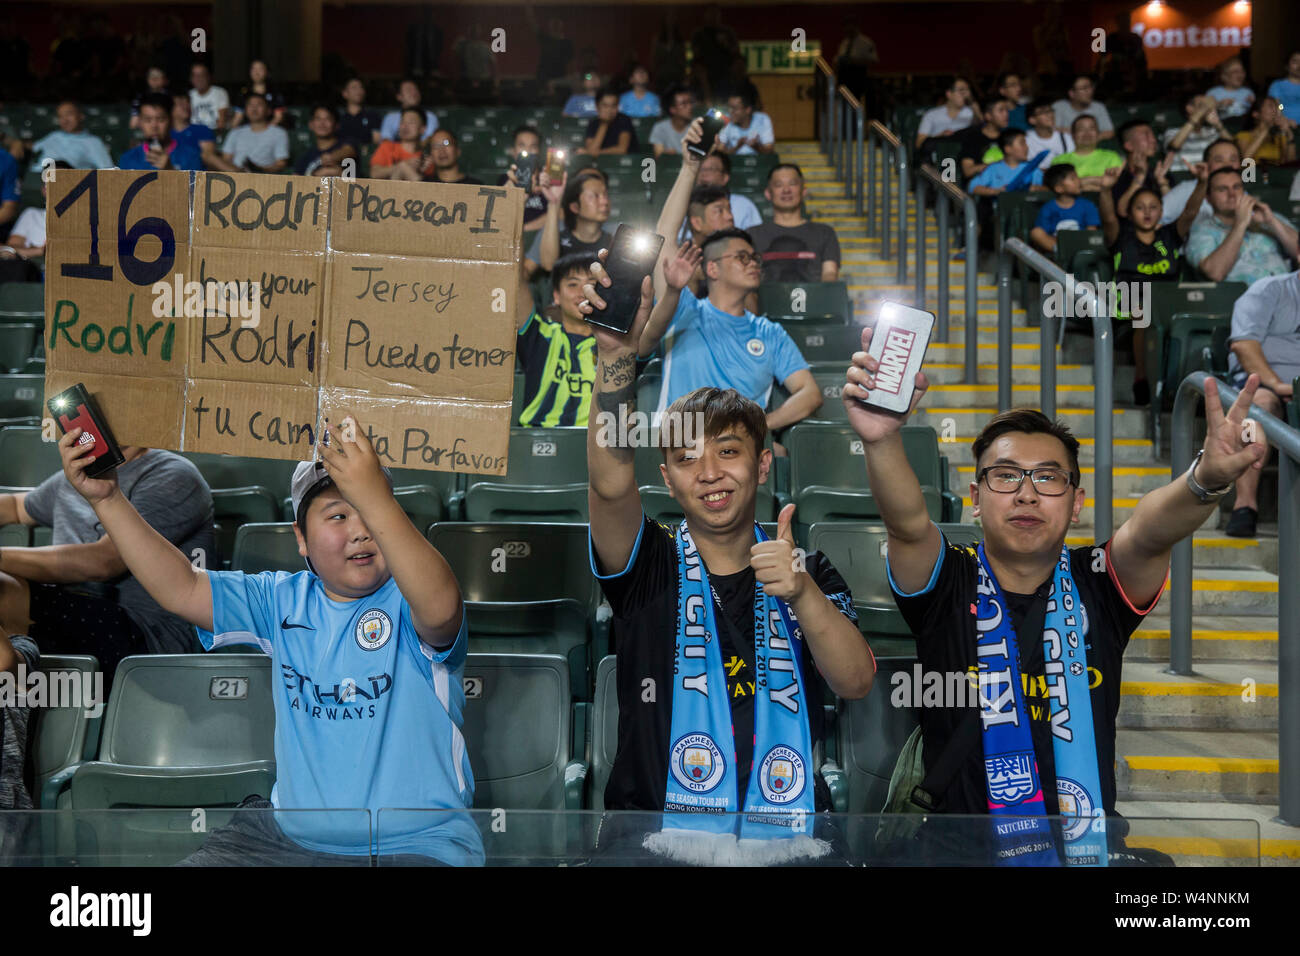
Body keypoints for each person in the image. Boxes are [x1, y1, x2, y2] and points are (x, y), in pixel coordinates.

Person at [847, 337, 1268, 865]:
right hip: (958, 852)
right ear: (975, 500)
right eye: (1006, 476)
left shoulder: (1098, 583)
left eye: (1047, 478)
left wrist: (1203, 480)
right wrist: (883, 439)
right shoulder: (948, 578)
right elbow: (907, 524)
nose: (1026, 494)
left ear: (1076, 503)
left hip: (1085, 850)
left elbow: (1149, 532)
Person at [56, 423, 481, 866]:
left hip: (416, 846)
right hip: (286, 843)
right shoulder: (280, 598)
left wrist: (376, 497)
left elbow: (441, 608)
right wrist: (108, 499)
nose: (360, 531)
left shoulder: (411, 597)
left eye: (370, 513)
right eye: (338, 516)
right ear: (301, 538)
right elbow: (181, 588)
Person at [580, 265, 871, 859]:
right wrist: (615, 354)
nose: (709, 472)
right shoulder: (648, 563)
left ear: (763, 465)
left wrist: (801, 593)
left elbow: (856, 682)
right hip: (652, 842)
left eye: (729, 451)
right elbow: (610, 485)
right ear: (667, 478)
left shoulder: (810, 570)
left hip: (790, 842)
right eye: (687, 458)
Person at [0, 440, 212, 686]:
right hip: (69, 610)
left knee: (3, 591)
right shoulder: (76, 476)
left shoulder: (172, 475)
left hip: (145, 635)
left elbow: (103, 561)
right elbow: (17, 507)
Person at [643, 232, 823, 424]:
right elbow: (644, 344)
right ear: (713, 269)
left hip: (738, 449)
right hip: (681, 440)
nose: (753, 264)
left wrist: (760, 430)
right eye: (742, 257)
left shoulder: (771, 332)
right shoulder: (683, 308)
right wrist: (672, 290)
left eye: (755, 258)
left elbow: (810, 393)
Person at [1099, 164, 1208, 405]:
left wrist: (1201, 183)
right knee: (1142, 312)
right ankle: (1141, 377)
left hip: (1168, 302)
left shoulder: (1170, 235)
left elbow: (1189, 212)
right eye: (1140, 208)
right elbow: (1108, 217)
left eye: (1153, 207)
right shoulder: (1120, 236)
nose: (1147, 213)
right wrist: (1106, 191)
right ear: (1130, 212)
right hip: (1128, 304)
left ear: (1161, 211)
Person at [1223, 270, 1299, 537]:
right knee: (1256, 411)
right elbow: (1243, 345)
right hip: (1266, 386)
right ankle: (1244, 506)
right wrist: (1277, 384)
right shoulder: (1269, 291)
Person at [511, 252, 596, 427]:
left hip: (595, 444)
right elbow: (515, 275)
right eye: (573, 284)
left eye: (592, 285)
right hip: (537, 441)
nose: (583, 292)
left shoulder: (615, 346)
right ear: (556, 295)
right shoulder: (541, 335)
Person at [1185, 169, 1299, 284]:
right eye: (1222, 189)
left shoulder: (1268, 217)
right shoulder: (1202, 230)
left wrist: (1271, 221)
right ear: (1208, 198)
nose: (1232, 194)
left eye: (1236, 187)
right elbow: (1215, 273)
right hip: (1239, 298)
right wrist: (1241, 224)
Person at [747, 164, 841, 282]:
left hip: (813, 299)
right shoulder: (753, 234)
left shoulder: (824, 233)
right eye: (778, 185)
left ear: (804, 191)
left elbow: (830, 275)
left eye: (792, 184)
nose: (786, 190)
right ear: (768, 194)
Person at [526, 168, 614, 277]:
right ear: (575, 207)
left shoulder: (615, 236)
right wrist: (554, 203)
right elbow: (547, 266)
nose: (605, 202)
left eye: (605, 195)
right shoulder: (555, 231)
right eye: (594, 196)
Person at [1, 160, 70, 261]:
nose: (58, 188)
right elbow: (8, 250)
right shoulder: (32, 215)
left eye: (64, 182)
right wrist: (40, 250)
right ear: (44, 190)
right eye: (52, 182)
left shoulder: (87, 218)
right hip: (35, 272)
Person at [1161, 138, 1240, 227]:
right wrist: (1164, 241)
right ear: (1206, 164)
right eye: (1219, 160)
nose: (1227, 165)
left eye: (1233, 160)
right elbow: (1155, 226)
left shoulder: (1242, 193)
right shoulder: (1185, 190)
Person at [118, 92, 202, 172]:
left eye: (161, 119)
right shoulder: (128, 159)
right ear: (140, 122)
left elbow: (196, 186)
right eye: (148, 120)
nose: (154, 126)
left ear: (171, 121)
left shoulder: (191, 156)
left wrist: (171, 170)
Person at [209, 93, 289, 173]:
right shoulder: (235, 132)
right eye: (250, 105)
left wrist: (259, 170)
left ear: (268, 111)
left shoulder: (279, 133)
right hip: (236, 176)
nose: (254, 108)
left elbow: (280, 164)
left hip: (264, 178)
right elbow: (226, 159)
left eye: (259, 105)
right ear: (246, 110)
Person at [1029, 164, 1100, 254]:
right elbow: (1043, 232)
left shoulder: (1087, 205)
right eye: (1073, 179)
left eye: (1077, 177)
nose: (1078, 181)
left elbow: (1091, 230)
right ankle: (1062, 252)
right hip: (1058, 245)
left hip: (1082, 245)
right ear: (1059, 188)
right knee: (1036, 232)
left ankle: (1076, 252)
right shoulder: (1048, 208)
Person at [1113, 119, 1172, 215]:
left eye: (1153, 135)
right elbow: (1123, 212)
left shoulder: (1160, 173)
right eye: (1146, 136)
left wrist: (1162, 183)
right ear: (1129, 146)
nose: (1153, 140)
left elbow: (1173, 213)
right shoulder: (1118, 178)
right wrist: (1140, 176)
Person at [30, 100, 112, 169]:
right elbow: (32, 148)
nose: (65, 120)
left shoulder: (93, 142)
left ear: (81, 116)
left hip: (66, 183)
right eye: (60, 116)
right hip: (35, 180)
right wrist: (20, 144)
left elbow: (108, 171)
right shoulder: (54, 136)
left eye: (69, 114)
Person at [1049, 115, 1123, 190]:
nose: (1087, 133)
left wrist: (1079, 183)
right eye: (1081, 129)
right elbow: (1059, 187)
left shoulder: (1111, 156)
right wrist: (1095, 181)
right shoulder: (1059, 160)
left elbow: (1115, 184)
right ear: (1073, 135)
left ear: (1098, 133)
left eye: (1092, 128)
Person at [967, 127, 1047, 197]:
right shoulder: (993, 168)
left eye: (1025, 143)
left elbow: (1048, 189)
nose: (1026, 147)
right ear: (1008, 149)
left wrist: (1037, 188)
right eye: (1022, 143)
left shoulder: (1033, 169)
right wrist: (996, 192)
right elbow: (973, 187)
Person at [499, 125, 548, 236]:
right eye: (522, 145)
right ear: (513, 151)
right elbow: (499, 216)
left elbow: (560, 214)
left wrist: (522, 229)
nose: (527, 150)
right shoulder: (505, 180)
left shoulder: (547, 179)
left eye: (533, 146)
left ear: (539, 151)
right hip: (509, 237)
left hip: (542, 237)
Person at [694, 151, 761, 230]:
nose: (704, 174)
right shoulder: (685, 204)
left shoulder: (743, 205)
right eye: (700, 169)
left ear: (725, 178)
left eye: (711, 169)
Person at [1164, 94, 1230, 170]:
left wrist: (1218, 124)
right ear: (1189, 109)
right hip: (1182, 176)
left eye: (1208, 106)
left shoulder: (1212, 131)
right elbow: (1174, 146)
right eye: (1202, 105)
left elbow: (1232, 147)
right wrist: (1199, 113)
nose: (1207, 109)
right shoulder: (1172, 132)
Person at [957, 97, 1012, 183]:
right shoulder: (973, 138)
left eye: (1007, 110)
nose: (1006, 114)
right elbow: (968, 171)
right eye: (1001, 110)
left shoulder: (1009, 136)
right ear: (988, 116)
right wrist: (998, 166)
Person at [294, 104, 357, 177]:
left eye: (328, 119)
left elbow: (349, 151)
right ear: (311, 124)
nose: (322, 124)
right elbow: (295, 182)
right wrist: (316, 175)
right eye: (318, 119)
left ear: (336, 125)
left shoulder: (347, 143)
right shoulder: (305, 157)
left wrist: (333, 157)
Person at [915, 77, 978, 150]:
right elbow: (918, 144)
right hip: (938, 154)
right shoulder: (931, 115)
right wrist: (940, 136)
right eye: (961, 91)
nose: (966, 95)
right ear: (949, 94)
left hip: (964, 155)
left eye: (968, 91)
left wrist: (975, 108)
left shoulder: (971, 113)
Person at [368, 108, 426, 181]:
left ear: (423, 129)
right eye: (402, 122)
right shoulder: (387, 147)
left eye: (411, 122)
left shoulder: (425, 157)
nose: (405, 126)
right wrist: (401, 166)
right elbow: (374, 173)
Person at [1237, 97, 1297, 167]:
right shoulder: (1243, 135)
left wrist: (1289, 133)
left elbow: (1291, 163)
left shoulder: (1280, 136)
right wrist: (1267, 128)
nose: (1275, 110)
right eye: (1271, 106)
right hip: (1253, 175)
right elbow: (1246, 160)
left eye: (1276, 107)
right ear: (1256, 114)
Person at [1053, 73, 1114, 139]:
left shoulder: (1099, 107)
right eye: (1084, 88)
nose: (1090, 91)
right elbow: (1052, 130)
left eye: (1091, 87)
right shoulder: (1059, 107)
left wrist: (1087, 140)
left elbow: (1109, 132)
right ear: (1072, 94)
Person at [230, 59, 287, 128]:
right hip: (248, 132)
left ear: (267, 72)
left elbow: (278, 117)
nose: (256, 72)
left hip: (269, 132)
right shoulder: (244, 93)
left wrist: (263, 131)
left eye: (260, 69)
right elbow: (237, 117)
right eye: (253, 69)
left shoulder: (275, 92)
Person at [717, 89, 775, 156]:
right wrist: (737, 147)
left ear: (748, 109)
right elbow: (720, 152)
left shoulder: (762, 119)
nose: (730, 111)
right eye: (729, 108)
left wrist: (756, 147)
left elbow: (770, 150)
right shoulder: (727, 119)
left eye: (734, 108)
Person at [582, 88, 639, 155]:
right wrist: (604, 124)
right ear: (597, 107)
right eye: (605, 106)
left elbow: (622, 150)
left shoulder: (624, 120)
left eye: (613, 106)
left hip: (623, 163)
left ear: (618, 107)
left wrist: (598, 152)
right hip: (601, 163)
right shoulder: (593, 123)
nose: (609, 110)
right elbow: (591, 150)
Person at [379, 78, 438, 143]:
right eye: (409, 90)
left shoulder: (430, 116)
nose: (414, 93)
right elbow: (386, 141)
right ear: (399, 96)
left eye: (416, 89)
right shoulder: (390, 118)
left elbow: (429, 141)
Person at [169, 93, 217, 167]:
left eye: (188, 102)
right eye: (180, 103)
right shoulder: (164, 133)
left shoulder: (202, 130)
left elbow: (209, 158)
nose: (186, 106)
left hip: (197, 177)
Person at [1024, 96, 1074, 165]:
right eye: (1043, 112)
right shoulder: (1025, 140)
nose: (1049, 115)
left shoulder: (1066, 138)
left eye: (1050, 111)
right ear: (1032, 120)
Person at [651, 85, 696, 157]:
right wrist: (666, 155)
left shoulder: (698, 125)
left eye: (690, 102)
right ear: (672, 109)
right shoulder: (660, 128)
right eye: (684, 104)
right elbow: (659, 156)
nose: (690, 107)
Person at [338, 76, 382, 147]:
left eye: (361, 87)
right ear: (344, 93)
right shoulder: (338, 117)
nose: (359, 91)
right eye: (354, 88)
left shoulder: (373, 115)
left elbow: (377, 140)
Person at [188, 61, 231, 132]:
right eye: (195, 75)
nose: (198, 79)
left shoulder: (220, 93)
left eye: (202, 75)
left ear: (209, 77)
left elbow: (222, 122)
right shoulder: (189, 95)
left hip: (214, 133)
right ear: (191, 79)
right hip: (194, 134)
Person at [129, 65, 170, 130]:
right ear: (147, 79)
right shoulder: (140, 98)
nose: (154, 78)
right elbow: (133, 123)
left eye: (158, 76)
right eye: (151, 75)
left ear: (165, 79)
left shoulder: (171, 97)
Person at [1266, 50, 1300, 122]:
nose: (1299, 65)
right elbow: (1278, 105)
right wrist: (1281, 116)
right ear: (1287, 66)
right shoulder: (1278, 85)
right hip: (1285, 126)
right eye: (1295, 61)